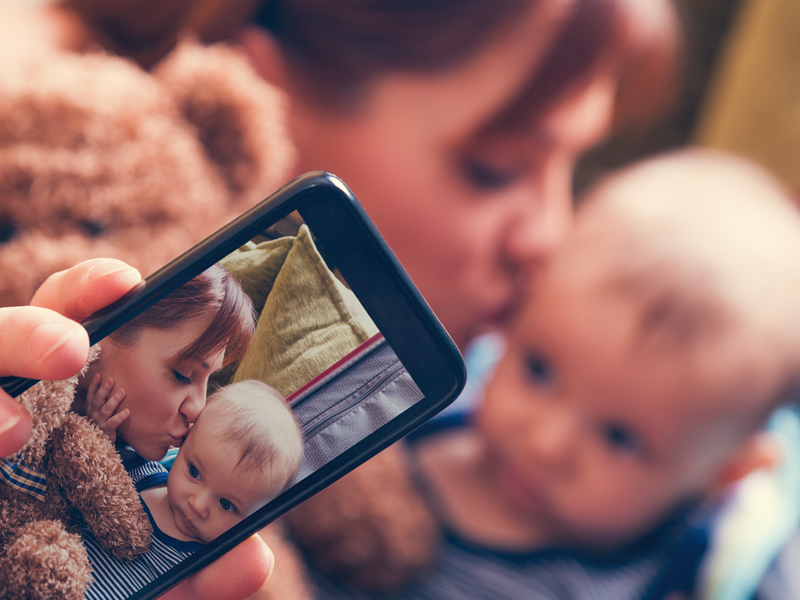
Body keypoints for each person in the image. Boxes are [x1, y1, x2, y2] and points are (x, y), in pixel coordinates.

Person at [310, 149, 800, 599]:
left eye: (620, 437)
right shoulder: (427, 411)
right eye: (539, 370)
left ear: (723, 475)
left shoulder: (661, 579)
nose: (546, 442)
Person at [0, 258, 276, 600]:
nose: (198, 408)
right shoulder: (30, 403)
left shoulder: (181, 467)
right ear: (110, 334)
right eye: (183, 374)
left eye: (210, 382)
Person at [82, 379, 304, 600]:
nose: (198, 505)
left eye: (226, 505)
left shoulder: (203, 567)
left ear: (254, 522)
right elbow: (87, 467)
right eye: (194, 472)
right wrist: (98, 430)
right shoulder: (139, 467)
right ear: (182, 443)